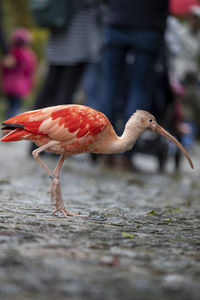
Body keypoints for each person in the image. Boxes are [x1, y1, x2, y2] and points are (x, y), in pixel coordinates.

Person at [88, 0, 169, 170]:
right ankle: (126, 156)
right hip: (149, 26)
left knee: (109, 88)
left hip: (117, 22)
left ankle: (105, 153)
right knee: (139, 90)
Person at [1, 27, 37, 118]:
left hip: (9, 85)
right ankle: (11, 128)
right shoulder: (29, 56)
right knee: (16, 107)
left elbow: (4, 68)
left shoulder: (10, 54)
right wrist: (31, 86)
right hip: (20, 86)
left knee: (10, 107)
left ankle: (7, 127)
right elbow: (30, 72)